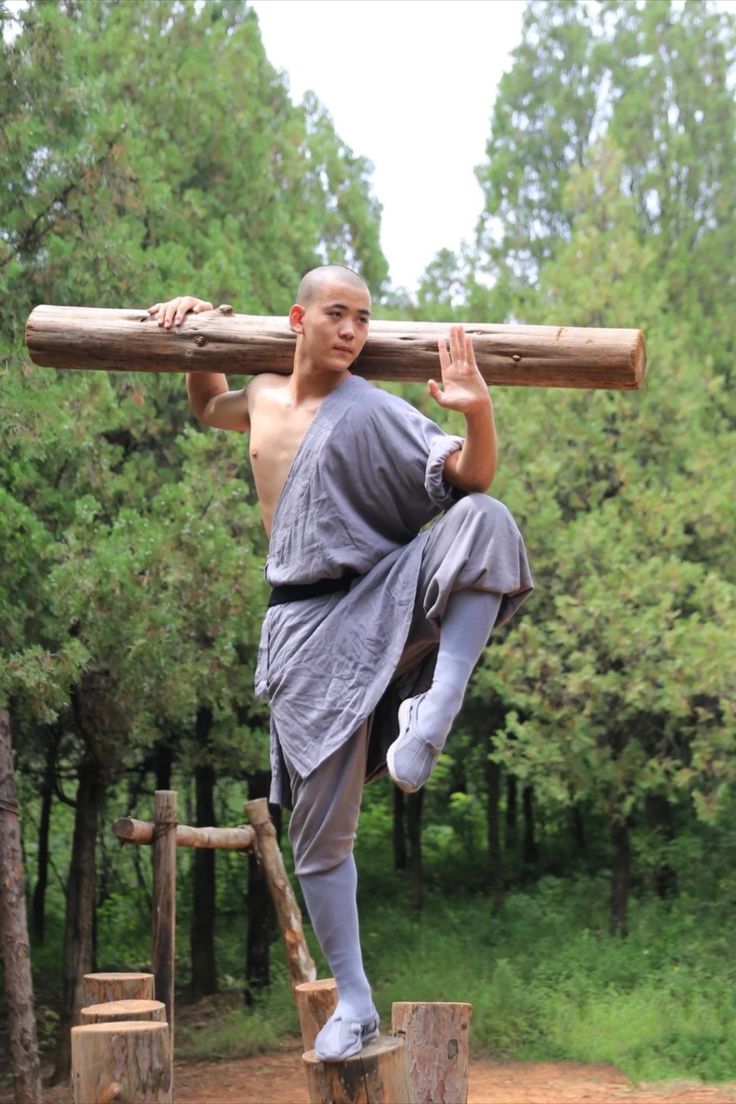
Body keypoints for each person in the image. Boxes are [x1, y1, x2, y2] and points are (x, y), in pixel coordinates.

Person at [149, 266, 533, 1061]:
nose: (353, 329)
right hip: (300, 626)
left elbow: (472, 477)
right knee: (319, 837)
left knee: (486, 524)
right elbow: (202, 405)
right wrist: (195, 331)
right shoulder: (257, 396)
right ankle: (353, 999)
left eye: (364, 317)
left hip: (383, 594)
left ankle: (431, 717)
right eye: (337, 313)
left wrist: (480, 410)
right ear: (299, 318)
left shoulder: (371, 409)